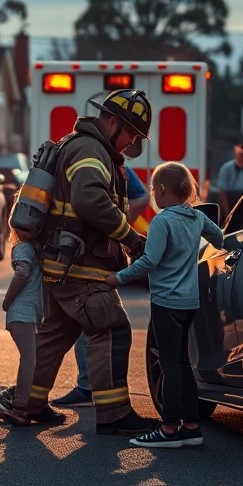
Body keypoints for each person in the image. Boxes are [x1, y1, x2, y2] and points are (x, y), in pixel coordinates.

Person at [4, 89, 159, 436]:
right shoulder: (90, 150)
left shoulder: (81, 145)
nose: (132, 142)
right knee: (112, 329)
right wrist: (132, 240)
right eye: (131, 133)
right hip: (82, 267)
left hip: (64, 264)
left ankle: (28, 403)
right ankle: (113, 414)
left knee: (55, 334)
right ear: (113, 121)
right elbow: (90, 200)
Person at [105, 162, 224, 448]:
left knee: (169, 365)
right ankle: (191, 427)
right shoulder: (196, 216)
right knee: (183, 363)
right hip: (189, 302)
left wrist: (118, 278)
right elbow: (219, 237)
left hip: (166, 302)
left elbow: (149, 261)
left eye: (152, 189)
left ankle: (169, 429)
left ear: (160, 190)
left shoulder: (161, 222)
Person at [53, 164, 148, 408]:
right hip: (92, 260)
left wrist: (120, 231)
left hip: (88, 262)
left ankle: (88, 389)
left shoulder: (98, 162)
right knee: (96, 327)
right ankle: (96, 392)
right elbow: (141, 198)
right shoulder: (110, 164)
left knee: (89, 326)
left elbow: (134, 200)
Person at [0, 205, 44, 425]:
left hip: (27, 314)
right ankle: (19, 406)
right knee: (29, 360)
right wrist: (7, 302)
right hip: (21, 313)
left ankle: (22, 403)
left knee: (33, 360)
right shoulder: (23, 248)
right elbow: (21, 274)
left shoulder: (33, 248)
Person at [217, 143, 243, 219]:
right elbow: (222, 191)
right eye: (240, 154)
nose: (242, 157)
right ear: (235, 154)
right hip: (230, 198)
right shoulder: (226, 168)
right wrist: (226, 212)